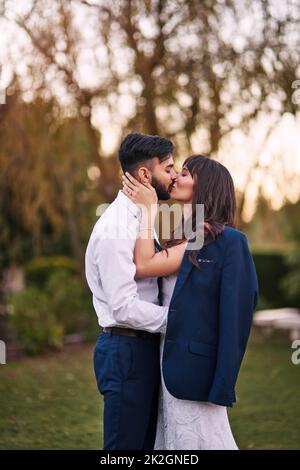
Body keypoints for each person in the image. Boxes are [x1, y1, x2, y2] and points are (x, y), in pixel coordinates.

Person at [122, 154, 259, 450]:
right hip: (165, 364)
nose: (175, 178)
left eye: (185, 173)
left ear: (205, 185)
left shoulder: (229, 242)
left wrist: (147, 210)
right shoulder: (185, 236)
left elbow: (236, 317)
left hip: (198, 374)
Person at [85, 132, 177, 450]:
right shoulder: (115, 227)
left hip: (143, 347)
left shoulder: (139, 219)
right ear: (144, 174)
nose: (175, 175)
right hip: (125, 350)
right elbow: (123, 306)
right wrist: (177, 319)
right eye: (169, 167)